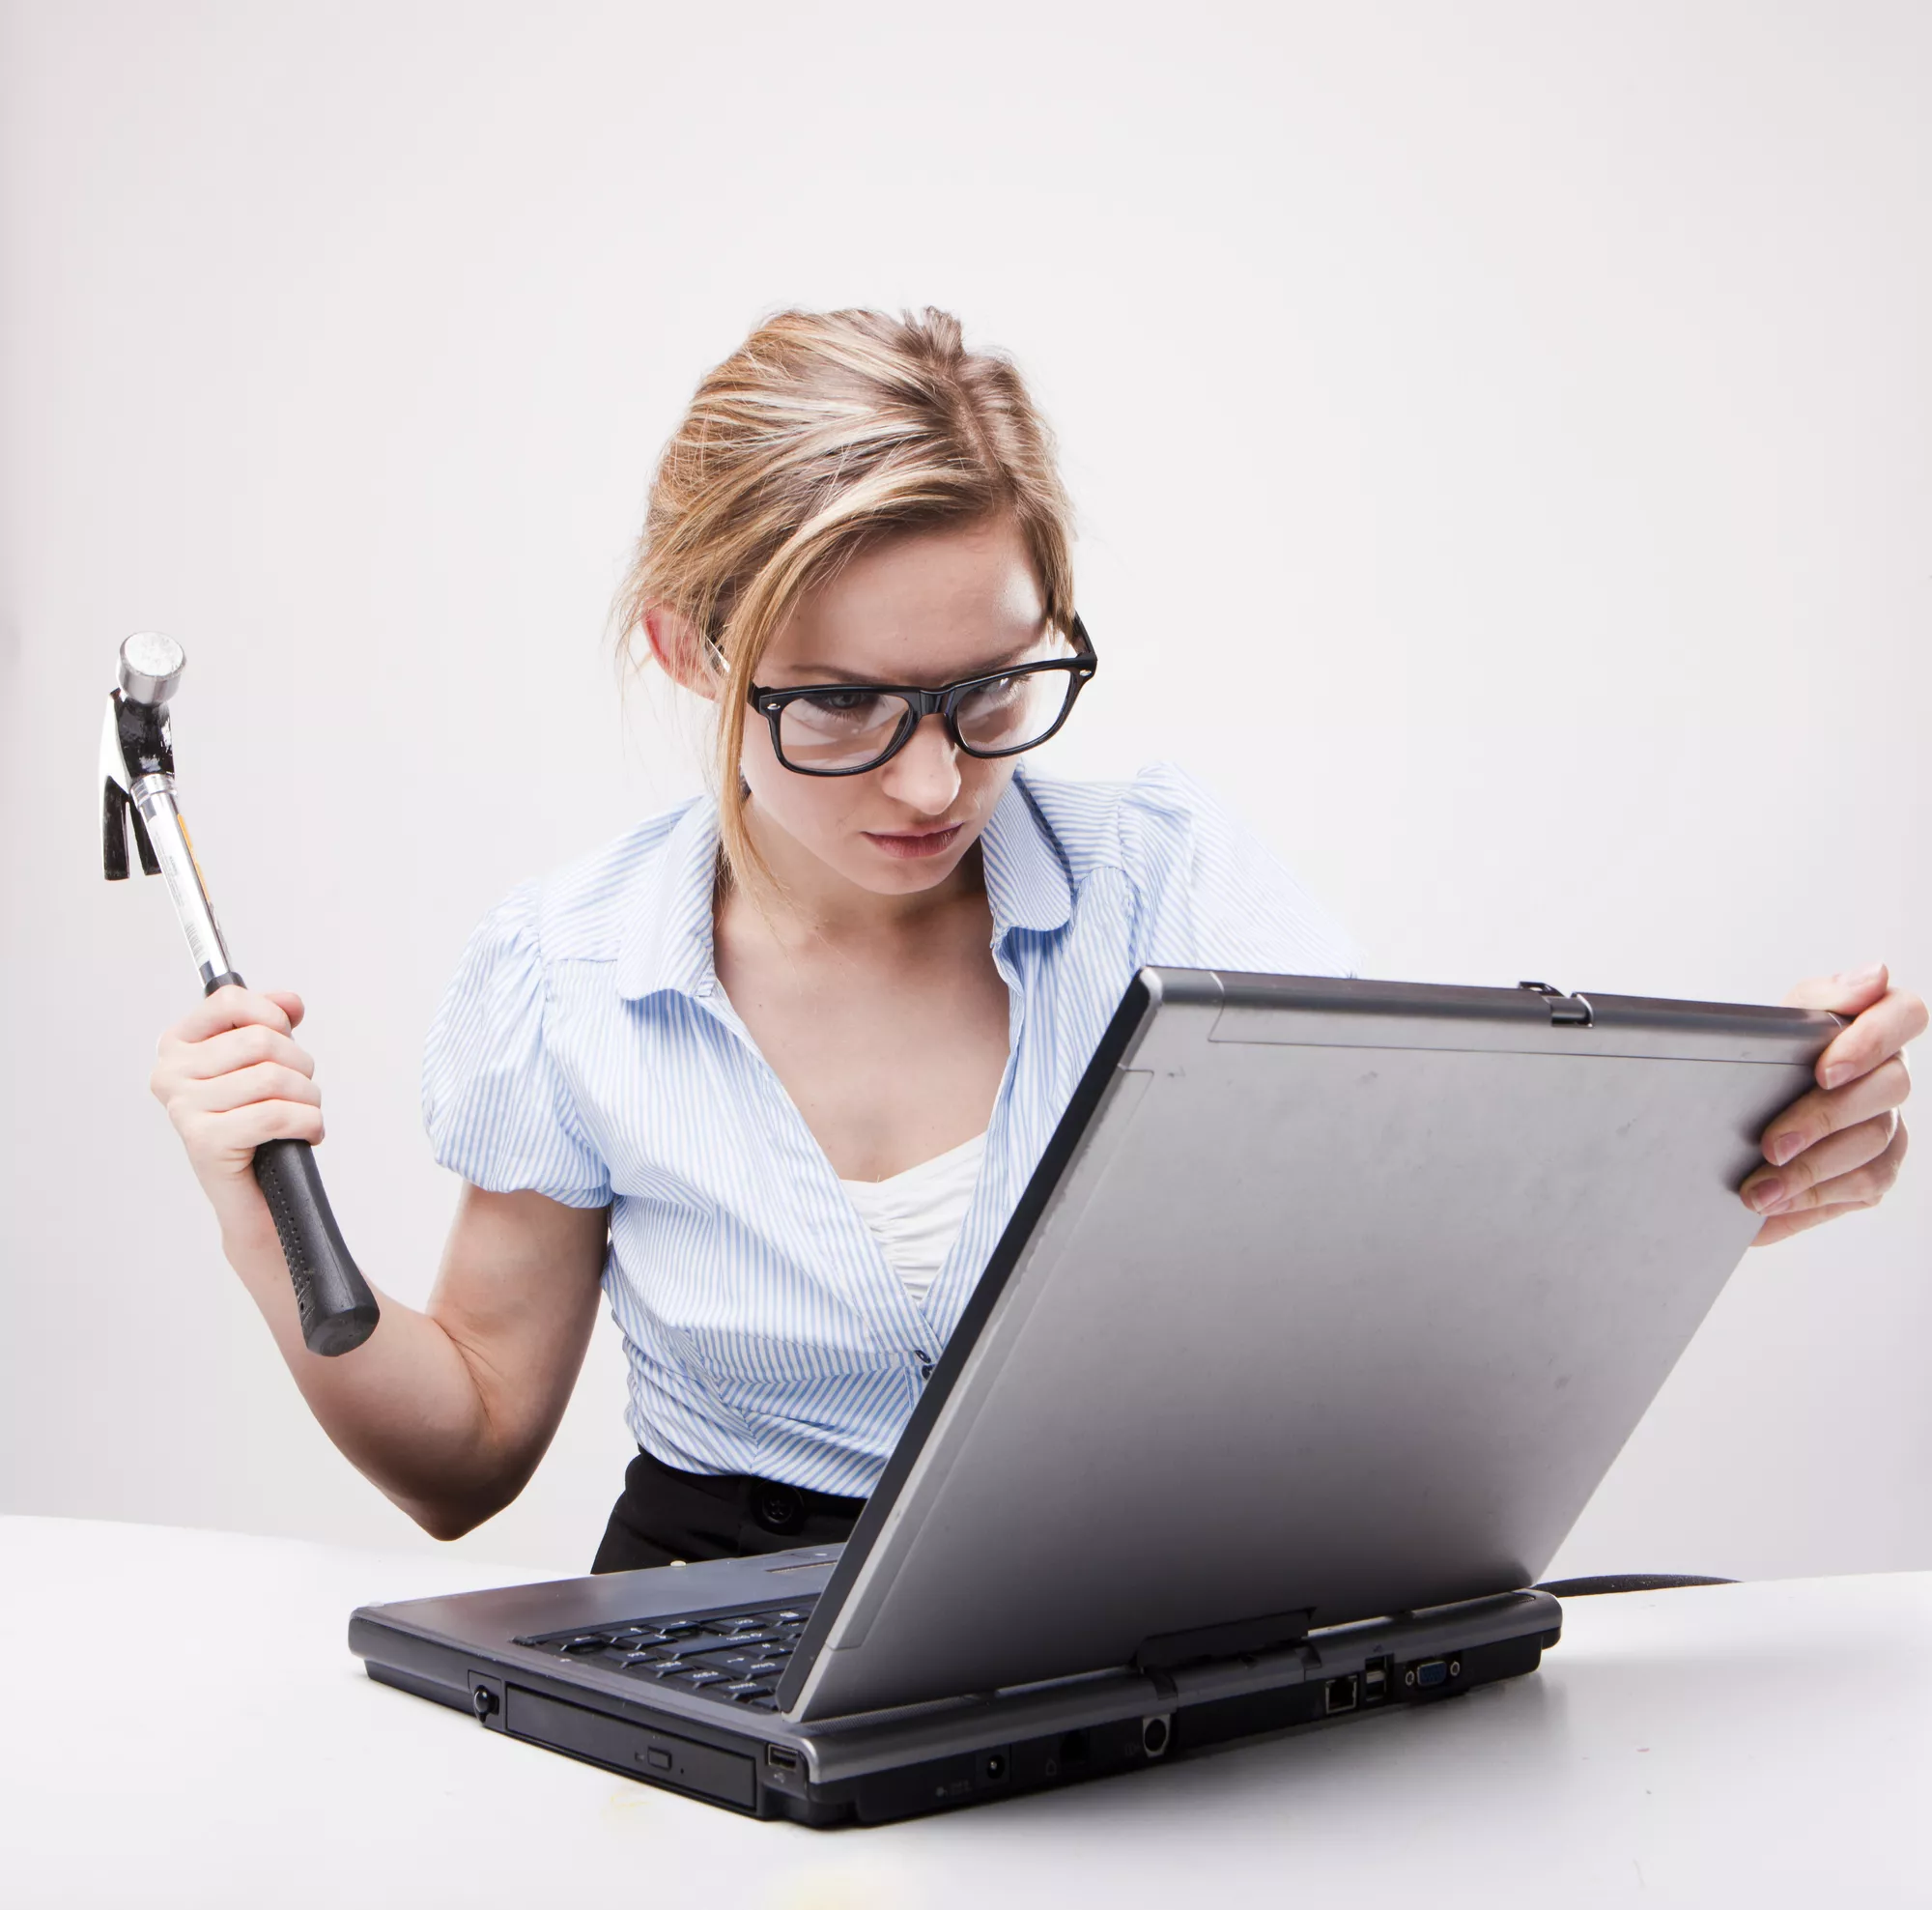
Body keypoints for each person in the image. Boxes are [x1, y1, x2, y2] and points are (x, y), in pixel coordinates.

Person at [149, 308, 1924, 1572]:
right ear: (696, 657)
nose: (937, 778)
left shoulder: (1170, 882)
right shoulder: (568, 977)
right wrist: (257, 1215)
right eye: (843, 705)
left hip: (1135, 1585)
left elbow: (1392, 1269)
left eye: (994, 686)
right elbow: (459, 1462)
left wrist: (1708, 1155)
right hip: (722, 1592)